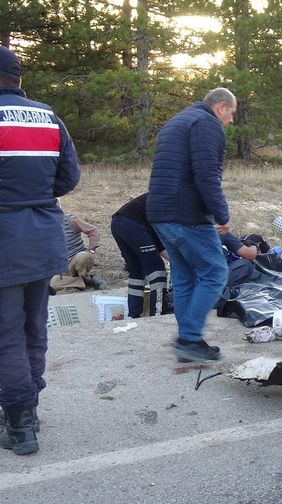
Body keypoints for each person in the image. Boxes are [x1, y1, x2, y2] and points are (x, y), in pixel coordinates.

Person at [0, 46, 80, 455]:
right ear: (19, 78)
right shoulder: (48, 116)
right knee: (34, 328)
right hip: (44, 235)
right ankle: (29, 407)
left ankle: (19, 425)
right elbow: (69, 177)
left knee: (6, 336)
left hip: (6, 239)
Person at [147, 87, 236, 362]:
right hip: (185, 214)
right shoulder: (207, 124)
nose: (231, 121)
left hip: (159, 211)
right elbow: (207, 175)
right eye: (231, 114)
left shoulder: (178, 120)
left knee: (185, 276)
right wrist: (221, 214)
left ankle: (188, 341)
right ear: (221, 107)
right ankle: (189, 339)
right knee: (215, 272)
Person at [111, 193, 171, 318]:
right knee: (157, 269)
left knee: (136, 271)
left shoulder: (159, 196)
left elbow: (158, 245)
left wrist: (176, 260)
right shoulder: (171, 198)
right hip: (132, 224)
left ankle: (133, 315)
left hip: (118, 223)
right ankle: (158, 312)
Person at [49, 212, 108, 291]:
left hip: (76, 259)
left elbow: (93, 231)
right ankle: (88, 280)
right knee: (53, 283)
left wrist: (91, 251)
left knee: (83, 256)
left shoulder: (70, 220)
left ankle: (81, 278)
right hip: (61, 268)